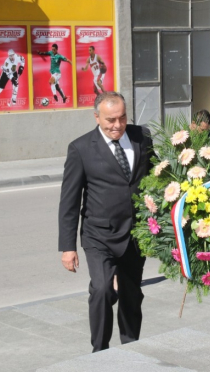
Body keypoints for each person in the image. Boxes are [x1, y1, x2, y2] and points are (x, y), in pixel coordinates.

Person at [58, 92, 155, 351]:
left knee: (132, 293)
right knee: (101, 290)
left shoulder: (141, 137)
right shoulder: (80, 148)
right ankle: (99, 351)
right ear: (96, 117)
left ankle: (130, 345)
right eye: (110, 120)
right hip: (99, 234)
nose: (117, 125)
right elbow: (69, 201)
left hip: (135, 233)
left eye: (122, 118)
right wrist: (68, 247)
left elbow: (156, 177)